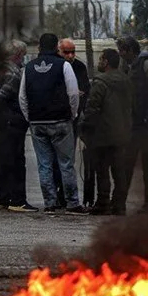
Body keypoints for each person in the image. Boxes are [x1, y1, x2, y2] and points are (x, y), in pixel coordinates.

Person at [18, 33, 89, 214]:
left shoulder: (29, 68)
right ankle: (72, 203)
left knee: (44, 165)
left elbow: (22, 97)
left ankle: (50, 203)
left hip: (37, 122)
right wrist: (72, 114)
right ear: (56, 48)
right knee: (66, 164)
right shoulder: (64, 65)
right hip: (61, 121)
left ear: (39, 48)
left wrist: (29, 117)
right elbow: (73, 93)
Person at [0, 39, 36, 212]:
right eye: (23, 55)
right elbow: (3, 95)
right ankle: (17, 200)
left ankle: (2, 197)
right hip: (11, 120)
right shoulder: (14, 73)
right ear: (18, 54)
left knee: (3, 160)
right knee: (16, 160)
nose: (23, 59)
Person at [79, 49, 133, 215]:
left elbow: (92, 107)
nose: (99, 62)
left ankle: (103, 203)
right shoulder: (127, 81)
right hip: (122, 133)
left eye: (101, 59)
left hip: (103, 134)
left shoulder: (100, 81)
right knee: (119, 171)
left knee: (102, 170)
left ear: (106, 62)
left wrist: (85, 127)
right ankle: (119, 205)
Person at [115, 36, 148, 215]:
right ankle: (120, 203)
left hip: (145, 124)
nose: (120, 53)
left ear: (130, 50)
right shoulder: (125, 67)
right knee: (126, 164)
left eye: (122, 50)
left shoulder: (146, 65)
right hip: (131, 124)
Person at [56, 38, 91, 205]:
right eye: (66, 52)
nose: (70, 55)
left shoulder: (79, 67)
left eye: (72, 52)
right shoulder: (57, 66)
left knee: (67, 158)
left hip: (73, 118)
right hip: (58, 117)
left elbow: (84, 91)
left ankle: (63, 194)